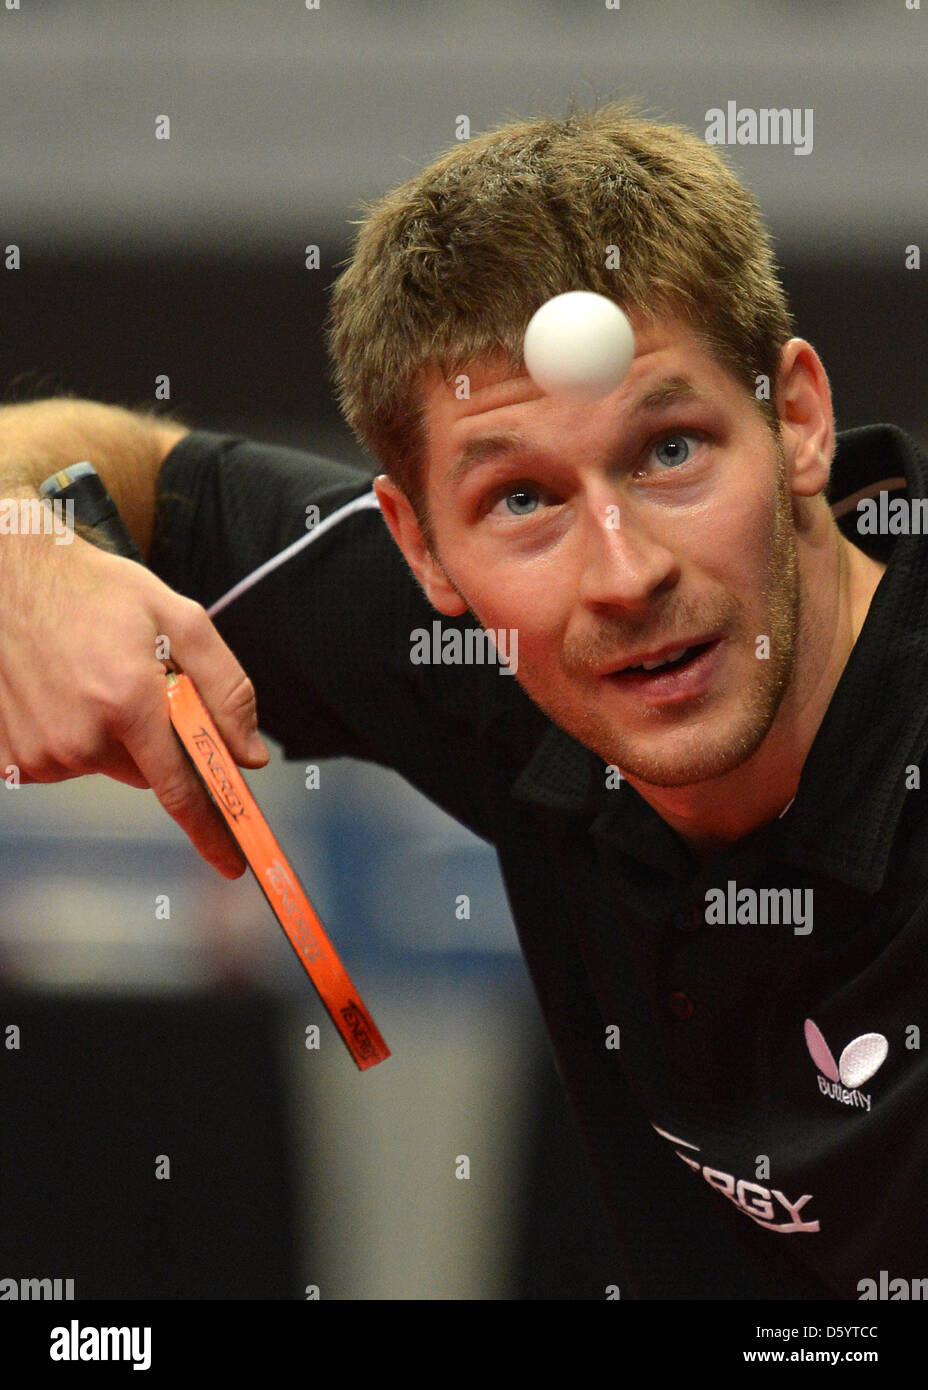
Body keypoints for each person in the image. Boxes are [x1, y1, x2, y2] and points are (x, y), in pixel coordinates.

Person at [0, 103, 924, 1300]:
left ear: (796, 418)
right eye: (522, 500)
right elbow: (109, 456)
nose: (623, 571)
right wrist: (24, 554)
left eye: (671, 451)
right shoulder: (480, 654)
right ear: (422, 550)